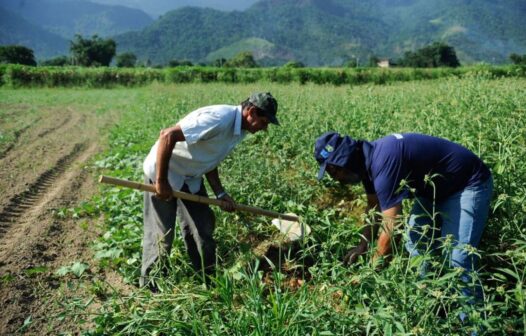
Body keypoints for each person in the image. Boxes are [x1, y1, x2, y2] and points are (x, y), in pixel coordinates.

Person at [314, 132, 493, 300]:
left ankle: (472, 325)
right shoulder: (365, 164)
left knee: (458, 260)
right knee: (416, 241)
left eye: (332, 171)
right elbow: (373, 206)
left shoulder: (384, 162)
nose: (334, 178)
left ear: (344, 161)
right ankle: (429, 300)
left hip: (467, 184)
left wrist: (368, 275)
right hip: (432, 190)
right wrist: (363, 245)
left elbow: (392, 229)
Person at [141, 92, 279, 287]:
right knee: (162, 235)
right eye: (264, 122)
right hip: (164, 172)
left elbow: (210, 158)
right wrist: (161, 181)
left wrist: (220, 193)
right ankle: (149, 287)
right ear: (252, 112)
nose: (265, 128)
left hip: (190, 177)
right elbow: (167, 135)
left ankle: (207, 281)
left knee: (202, 228)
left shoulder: (238, 131)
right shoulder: (219, 119)